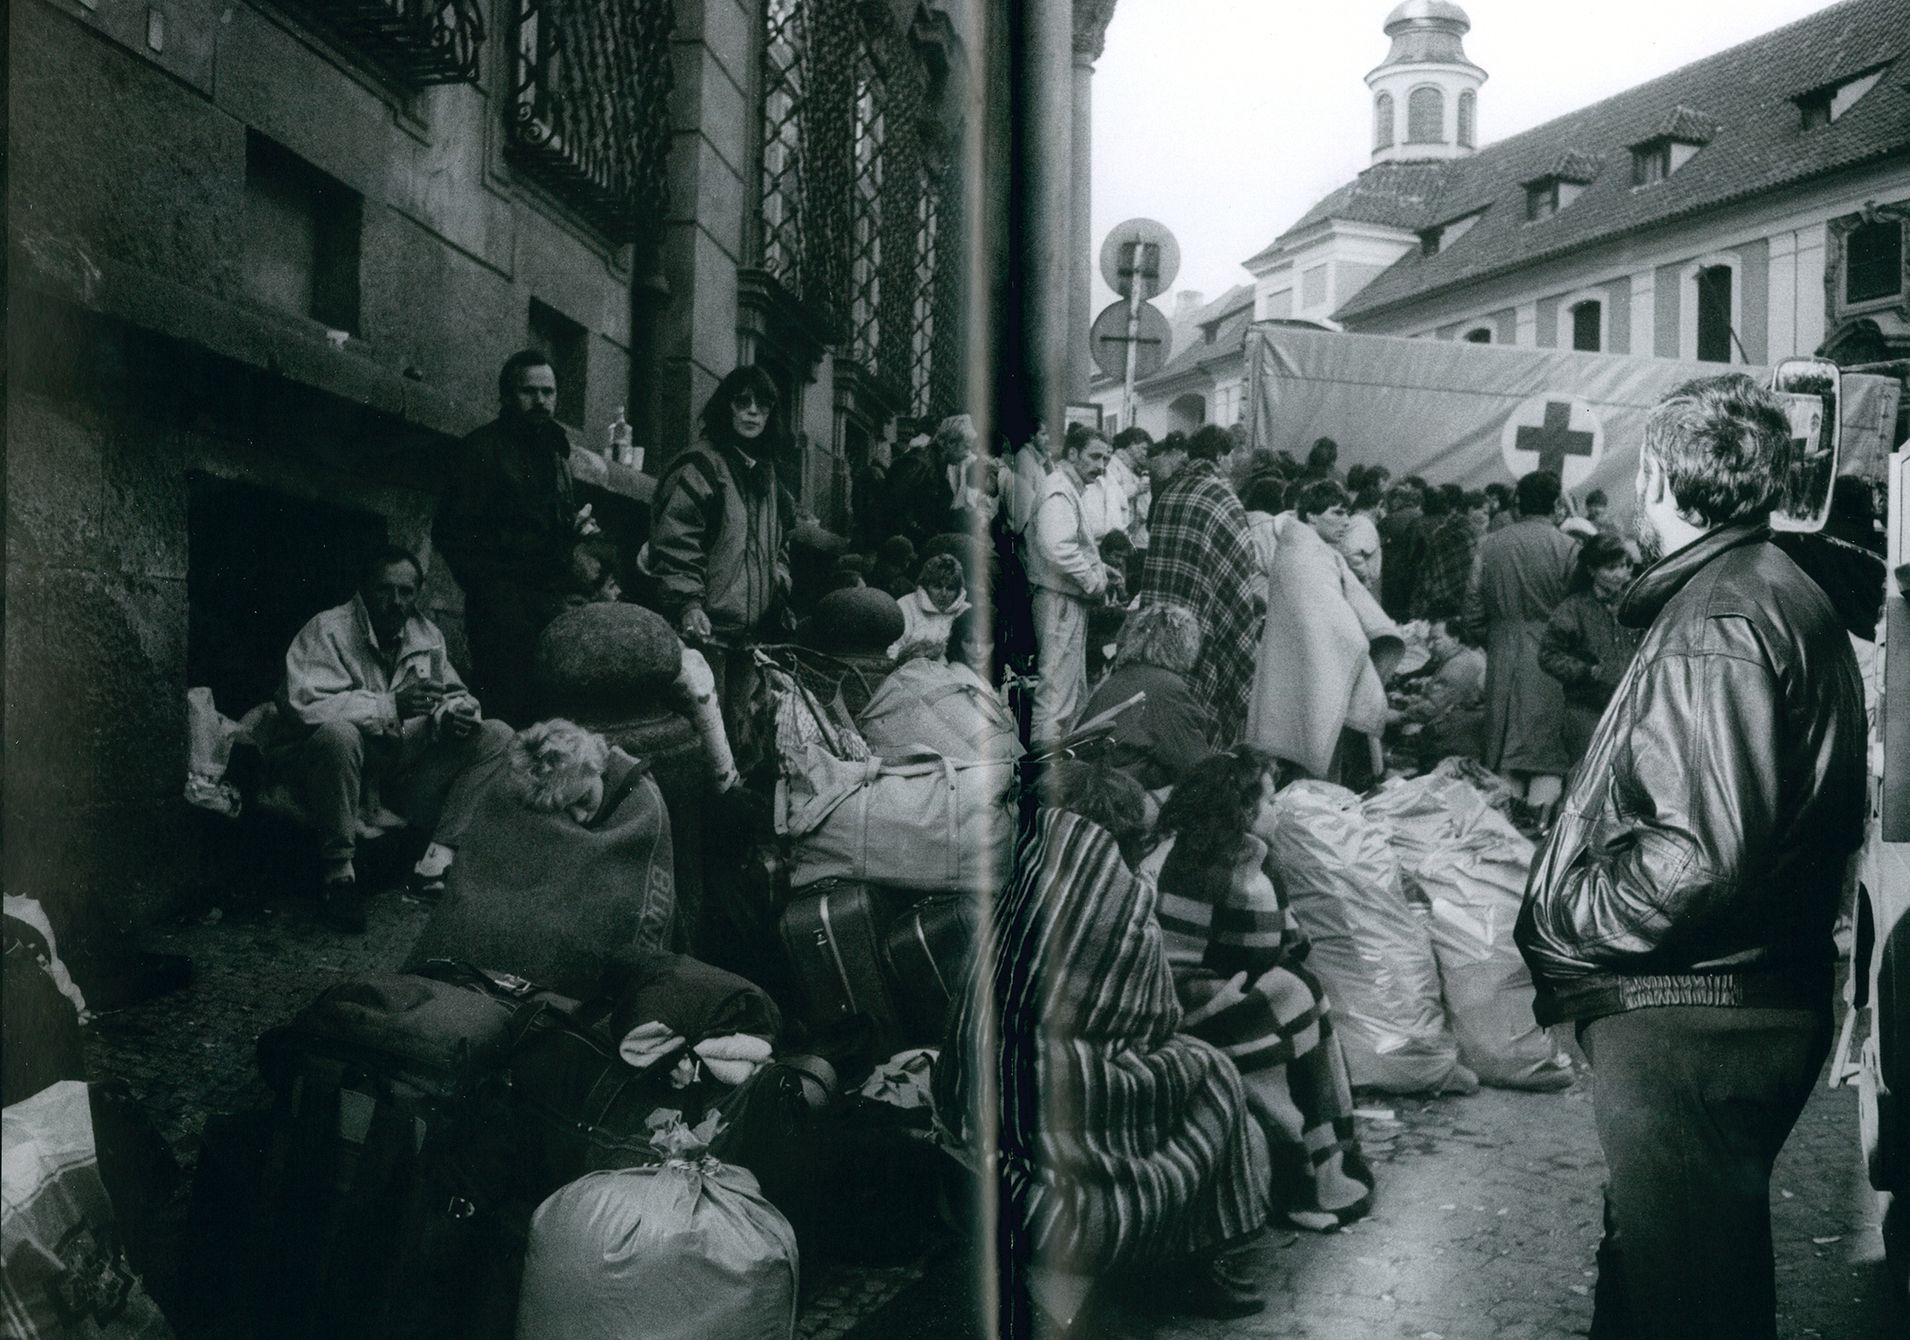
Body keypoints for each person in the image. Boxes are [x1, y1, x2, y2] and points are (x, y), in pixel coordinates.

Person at [1515, 375, 1866, 1340]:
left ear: (1665, 476)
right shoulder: (1775, 587)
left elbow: (1694, 862)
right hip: (1740, 1001)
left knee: (1691, 1308)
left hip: (1693, 1019)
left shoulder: (1714, 620)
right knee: (1669, 1278)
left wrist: (1563, 913)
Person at [933, 764, 1273, 1330]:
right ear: (1120, 837)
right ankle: (1184, 1263)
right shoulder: (1119, 901)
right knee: (1211, 1075)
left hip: (967, 1113)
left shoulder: (1021, 881)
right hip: (1038, 1121)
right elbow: (1156, 1022)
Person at [1142, 747, 1377, 1233]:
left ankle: (1326, 1164)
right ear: (1241, 810)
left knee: (1302, 990)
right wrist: (1237, 992)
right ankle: (1302, 1182)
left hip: (1251, 999)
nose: (1276, 812)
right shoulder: (1192, 867)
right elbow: (1173, 973)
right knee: (1292, 994)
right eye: (1269, 802)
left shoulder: (1257, 861)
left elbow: (1292, 941)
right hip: (1210, 1014)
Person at [265, 547, 513, 931]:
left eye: (406, 592)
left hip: (391, 781)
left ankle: (435, 864)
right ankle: (340, 875)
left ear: (417, 593)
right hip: (327, 781)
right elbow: (303, 706)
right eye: (384, 590)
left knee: (497, 735)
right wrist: (389, 705)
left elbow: (448, 692)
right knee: (338, 733)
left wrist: (453, 715)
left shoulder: (425, 634)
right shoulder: (327, 630)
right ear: (364, 588)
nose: (395, 602)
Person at [406, 719, 679, 1000]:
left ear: (596, 766)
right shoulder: (522, 786)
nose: (579, 817)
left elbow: (634, 896)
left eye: (584, 799)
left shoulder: (642, 801)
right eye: (564, 809)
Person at [641, 366, 794, 775]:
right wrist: (689, 603)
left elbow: (783, 541)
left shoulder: (767, 472)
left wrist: (779, 581)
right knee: (704, 742)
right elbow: (674, 541)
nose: (751, 412)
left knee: (741, 741)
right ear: (725, 407)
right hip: (704, 632)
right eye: (741, 402)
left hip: (746, 637)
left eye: (762, 405)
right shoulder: (701, 464)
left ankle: (733, 828)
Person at [433, 349, 598, 726]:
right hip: (501, 610)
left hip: (548, 603)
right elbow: (450, 531)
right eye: (529, 392)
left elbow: (547, 525)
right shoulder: (481, 449)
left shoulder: (556, 451)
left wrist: (571, 532)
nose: (540, 401)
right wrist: (491, 590)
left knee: (551, 712)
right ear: (507, 397)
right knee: (506, 711)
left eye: (548, 392)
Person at [1246, 479, 1403, 786]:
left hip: (1309, 670)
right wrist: (1360, 645)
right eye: (1337, 513)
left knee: (1308, 745)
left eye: (1347, 513)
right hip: (1319, 669)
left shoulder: (1304, 550)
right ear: (1311, 516)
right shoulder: (1306, 557)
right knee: (1318, 752)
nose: (1346, 522)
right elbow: (1339, 629)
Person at [1138, 425, 1265, 747]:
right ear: (1222, 456)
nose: (1236, 461)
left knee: (1164, 704)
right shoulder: (1222, 497)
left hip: (1161, 625)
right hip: (1201, 625)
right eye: (1233, 454)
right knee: (1198, 717)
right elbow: (1237, 575)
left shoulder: (1170, 492)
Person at [1465, 469, 1578, 811]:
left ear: (1518, 503)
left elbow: (1471, 610)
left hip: (1502, 653)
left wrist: (1496, 635)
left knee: (1502, 752)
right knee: (1546, 753)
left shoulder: (1489, 544)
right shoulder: (1569, 548)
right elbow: (1579, 613)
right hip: (1551, 661)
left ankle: (1502, 831)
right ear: (1556, 504)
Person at [1027, 425, 1113, 742]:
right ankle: (1043, 771)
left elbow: (1064, 543)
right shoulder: (1059, 489)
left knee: (1066, 691)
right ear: (1073, 453)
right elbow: (1055, 546)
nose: (1101, 467)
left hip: (1063, 600)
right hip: (1058, 601)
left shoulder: (1066, 488)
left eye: (1105, 459)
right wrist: (1093, 581)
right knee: (1055, 697)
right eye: (1094, 456)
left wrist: (1101, 568)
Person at [1078, 604, 1215, 802]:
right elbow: (1199, 768)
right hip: (1111, 801)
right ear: (1185, 645)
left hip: (1091, 792)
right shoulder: (1166, 688)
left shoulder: (1121, 677)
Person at [1537, 533, 1641, 768]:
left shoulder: (1635, 604)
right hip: (1586, 712)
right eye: (1611, 567)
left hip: (1629, 709)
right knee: (1586, 775)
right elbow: (1548, 655)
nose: (1620, 574)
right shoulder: (1573, 609)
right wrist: (1586, 671)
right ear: (1592, 570)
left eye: (1625, 566)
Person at [1391, 613, 1487, 768]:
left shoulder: (1459, 665)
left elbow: (1433, 708)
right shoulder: (1459, 658)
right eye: (1429, 640)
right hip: (1463, 726)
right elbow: (1435, 696)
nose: (1430, 646)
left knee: (1406, 734)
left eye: (1436, 639)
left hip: (1460, 735)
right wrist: (1405, 701)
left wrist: (1399, 716)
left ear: (1455, 639)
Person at [1412, 490, 1490, 622]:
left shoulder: (1441, 530)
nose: (1486, 517)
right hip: (1468, 601)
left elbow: (1429, 566)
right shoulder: (1475, 534)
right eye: (1484, 511)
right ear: (1471, 509)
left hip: (1440, 599)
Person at [888, 553, 970, 660]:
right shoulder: (906, 605)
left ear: (958, 591)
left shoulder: (966, 612)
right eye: (937, 586)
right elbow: (892, 648)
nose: (943, 593)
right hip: (909, 671)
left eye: (950, 588)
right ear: (926, 586)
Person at [1377, 481, 1426, 620]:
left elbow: (1379, 544)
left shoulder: (1389, 520)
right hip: (1414, 571)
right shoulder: (1420, 515)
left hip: (1393, 571)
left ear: (1396, 500)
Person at [1339, 475, 1384, 595]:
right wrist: (1365, 576)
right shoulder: (1362, 523)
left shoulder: (1356, 520)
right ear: (1377, 505)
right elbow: (1350, 551)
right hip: (1362, 585)